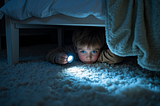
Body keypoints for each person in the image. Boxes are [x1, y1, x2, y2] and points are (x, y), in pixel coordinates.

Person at [46, 27, 124, 65]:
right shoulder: (72, 52)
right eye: (83, 51)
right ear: (76, 49)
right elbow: (50, 53)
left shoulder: (100, 54)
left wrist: (99, 57)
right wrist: (56, 57)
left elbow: (117, 56)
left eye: (94, 51)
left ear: (100, 49)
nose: (88, 57)